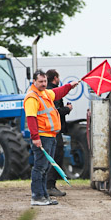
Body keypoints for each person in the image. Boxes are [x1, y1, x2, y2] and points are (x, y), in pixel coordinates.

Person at [24, 69, 79, 206]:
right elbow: (31, 119)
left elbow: (58, 92)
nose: (43, 84)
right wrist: (35, 137)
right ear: (34, 82)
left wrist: (69, 86)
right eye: (41, 81)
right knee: (40, 167)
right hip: (42, 137)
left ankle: (44, 196)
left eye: (45, 81)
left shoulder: (44, 93)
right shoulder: (32, 97)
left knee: (46, 167)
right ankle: (37, 196)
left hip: (50, 136)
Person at [46, 69, 72, 197]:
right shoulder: (53, 92)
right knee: (56, 156)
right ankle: (50, 185)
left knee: (50, 156)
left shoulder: (47, 91)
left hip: (49, 130)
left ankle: (47, 185)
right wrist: (67, 109)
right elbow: (55, 112)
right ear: (55, 78)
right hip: (54, 130)